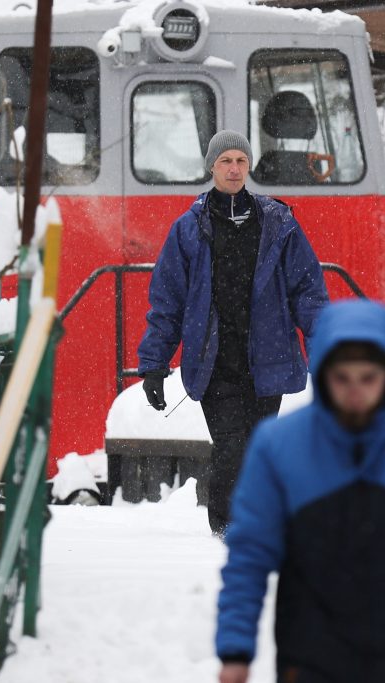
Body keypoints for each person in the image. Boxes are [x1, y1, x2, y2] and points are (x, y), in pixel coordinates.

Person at [216, 299, 385, 683]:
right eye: (342, 378)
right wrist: (235, 649)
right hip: (310, 658)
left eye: (368, 378)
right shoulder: (279, 447)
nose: (355, 391)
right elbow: (250, 555)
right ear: (324, 374)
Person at [137, 130, 328, 534]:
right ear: (211, 167)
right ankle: (225, 529)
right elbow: (167, 301)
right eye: (226, 161)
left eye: (241, 160)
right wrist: (154, 364)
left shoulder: (277, 222)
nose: (234, 168)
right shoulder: (189, 229)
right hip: (214, 360)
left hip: (267, 358)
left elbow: (308, 292)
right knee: (231, 447)